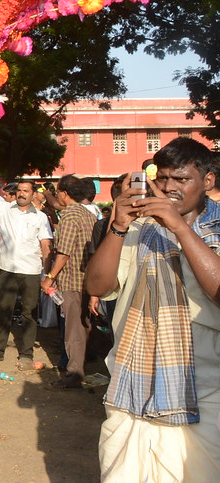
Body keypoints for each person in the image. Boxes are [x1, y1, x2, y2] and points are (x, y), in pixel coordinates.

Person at [86, 138, 220, 480]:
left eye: (181, 179)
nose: (169, 187)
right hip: (131, 389)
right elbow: (98, 286)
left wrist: (178, 227)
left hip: (205, 390)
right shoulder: (139, 228)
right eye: (162, 178)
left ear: (207, 181)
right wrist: (117, 226)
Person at [0, 179, 53, 370]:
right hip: (7, 269)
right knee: (3, 310)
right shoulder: (4, 209)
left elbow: (46, 246)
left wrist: (48, 275)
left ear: (32, 193)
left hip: (31, 271)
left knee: (29, 314)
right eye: (19, 190)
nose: (21, 194)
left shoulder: (41, 217)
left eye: (26, 191)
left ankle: (26, 355)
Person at [41, 174, 97, 389]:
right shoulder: (88, 215)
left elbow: (63, 253)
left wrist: (49, 278)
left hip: (72, 281)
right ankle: (78, 367)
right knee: (83, 327)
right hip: (87, 280)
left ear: (63, 193)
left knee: (73, 331)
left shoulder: (70, 216)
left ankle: (73, 374)